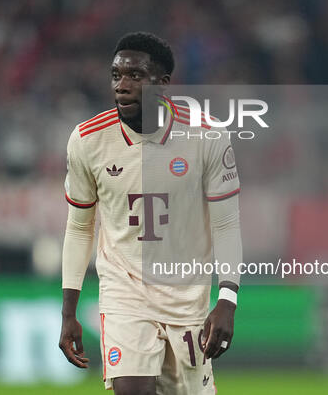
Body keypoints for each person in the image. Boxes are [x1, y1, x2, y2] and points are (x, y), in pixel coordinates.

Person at [59, 32, 243, 394]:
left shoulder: (208, 136)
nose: (122, 86)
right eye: (116, 76)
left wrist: (227, 299)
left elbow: (226, 222)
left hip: (187, 297)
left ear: (163, 85)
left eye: (135, 77)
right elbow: (80, 228)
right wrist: (69, 312)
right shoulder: (87, 140)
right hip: (124, 291)